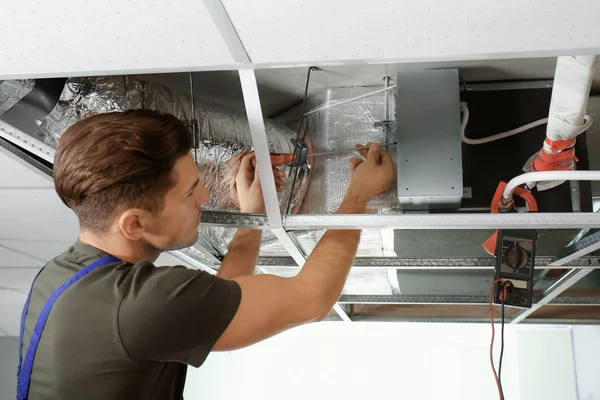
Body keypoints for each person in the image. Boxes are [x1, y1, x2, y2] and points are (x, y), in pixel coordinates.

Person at [17, 109, 395, 400]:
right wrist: (357, 196)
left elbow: (212, 304)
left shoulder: (61, 275)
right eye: (190, 191)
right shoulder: (138, 303)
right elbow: (311, 299)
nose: (205, 197)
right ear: (134, 224)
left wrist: (250, 220)